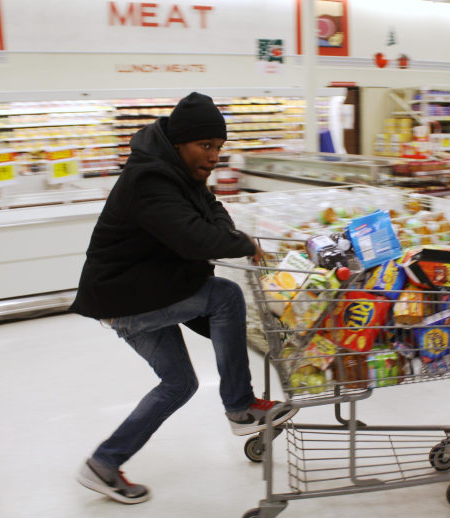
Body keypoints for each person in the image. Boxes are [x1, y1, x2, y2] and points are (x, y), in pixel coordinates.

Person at [70, 92, 297, 505]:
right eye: (205, 146)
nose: (213, 157)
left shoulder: (181, 175)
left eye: (219, 147)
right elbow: (193, 238)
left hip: (138, 293)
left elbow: (213, 210)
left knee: (179, 383)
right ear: (179, 143)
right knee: (224, 295)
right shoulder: (150, 179)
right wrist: (242, 243)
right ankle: (241, 407)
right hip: (126, 296)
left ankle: (103, 464)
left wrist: (232, 235)